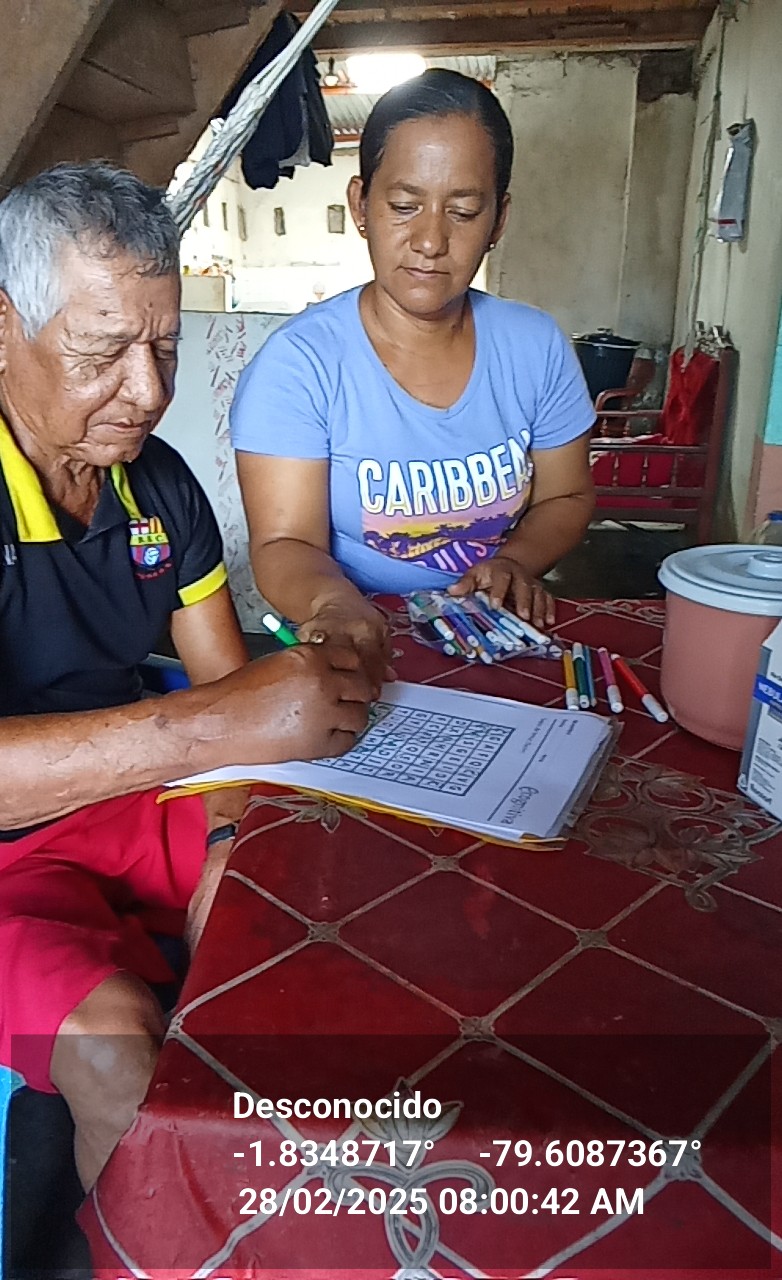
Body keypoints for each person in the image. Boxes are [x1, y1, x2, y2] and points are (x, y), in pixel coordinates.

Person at [0, 162, 378, 1189]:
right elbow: (225, 715)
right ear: (3, 328)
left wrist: (225, 845)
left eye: (165, 346)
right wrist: (218, 727)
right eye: (102, 352)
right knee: (117, 1054)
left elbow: (234, 706)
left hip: (132, 805)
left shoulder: (156, 485)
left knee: (314, 886)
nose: (150, 392)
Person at [231, 69, 596, 675]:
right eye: (403, 207)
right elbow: (284, 543)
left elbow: (567, 494)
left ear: (498, 221)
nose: (430, 240)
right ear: (360, 206)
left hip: (498, 627)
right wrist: (332, 603)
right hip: (360, 638)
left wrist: (516, 562)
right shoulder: (300, 366)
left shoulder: (535, 347)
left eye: (464, 211)